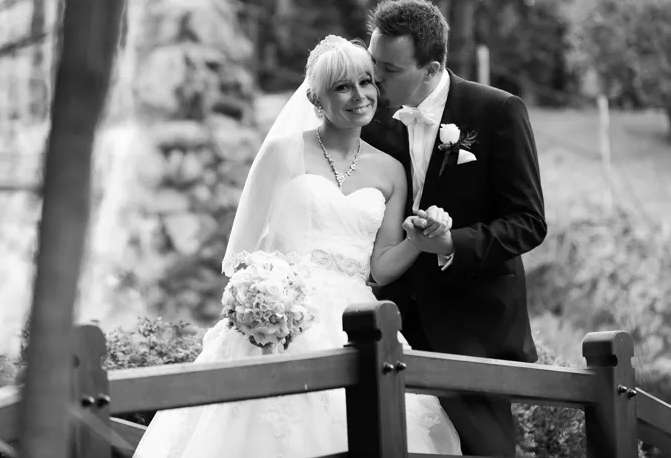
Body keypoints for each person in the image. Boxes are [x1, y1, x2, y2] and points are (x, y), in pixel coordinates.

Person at [132, 35, 462, 458]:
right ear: (315, 97)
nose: (359, 96)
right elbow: (242, 255)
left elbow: (379, 269)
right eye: (342, 87)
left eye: (366, 82)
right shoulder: (283, 152)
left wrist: (420, 242)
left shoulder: (392, 170)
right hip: (279, 322)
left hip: (357, 323)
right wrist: (257, 301)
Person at [361, 0, 547, 457]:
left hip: (473, 329)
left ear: (431, 68)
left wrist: (452, 242)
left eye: (389, 69)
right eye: (373, 63)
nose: (375, 79)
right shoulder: (373, 120)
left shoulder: (498, 112)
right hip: (394, 323)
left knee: (484, 450)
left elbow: (528, 222)